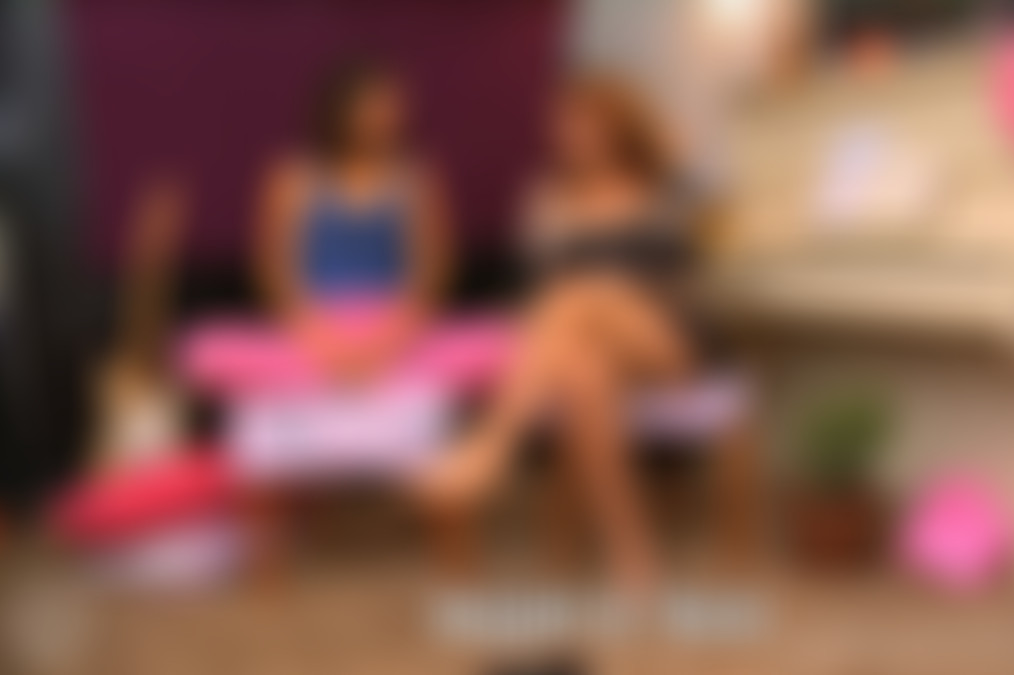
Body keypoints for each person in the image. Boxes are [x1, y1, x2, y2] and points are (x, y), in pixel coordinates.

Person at [417, 74, 711, 590]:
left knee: (585, 291)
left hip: (663, 340)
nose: (574, 136)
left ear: (618, 126)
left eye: (587, 124)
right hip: (589, 342)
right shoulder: (547, 199)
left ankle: (491, 447)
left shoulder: (663, 185)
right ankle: (633, 555)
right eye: (566, 127)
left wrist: (675, 153)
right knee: (583, 374)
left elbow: (711, 206)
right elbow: (536, 288)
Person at [257, 56, 449, 385]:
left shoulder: (416, 180)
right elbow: (277, 271)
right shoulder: (293, 178)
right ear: (341, 111)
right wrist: (318, 337)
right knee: (206, 347)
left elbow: (428, 273)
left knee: (492, 344)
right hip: (313, 326)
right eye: (373, 107)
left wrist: (390, 339)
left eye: (391, 107)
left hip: (394, 326)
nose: (384, 117)